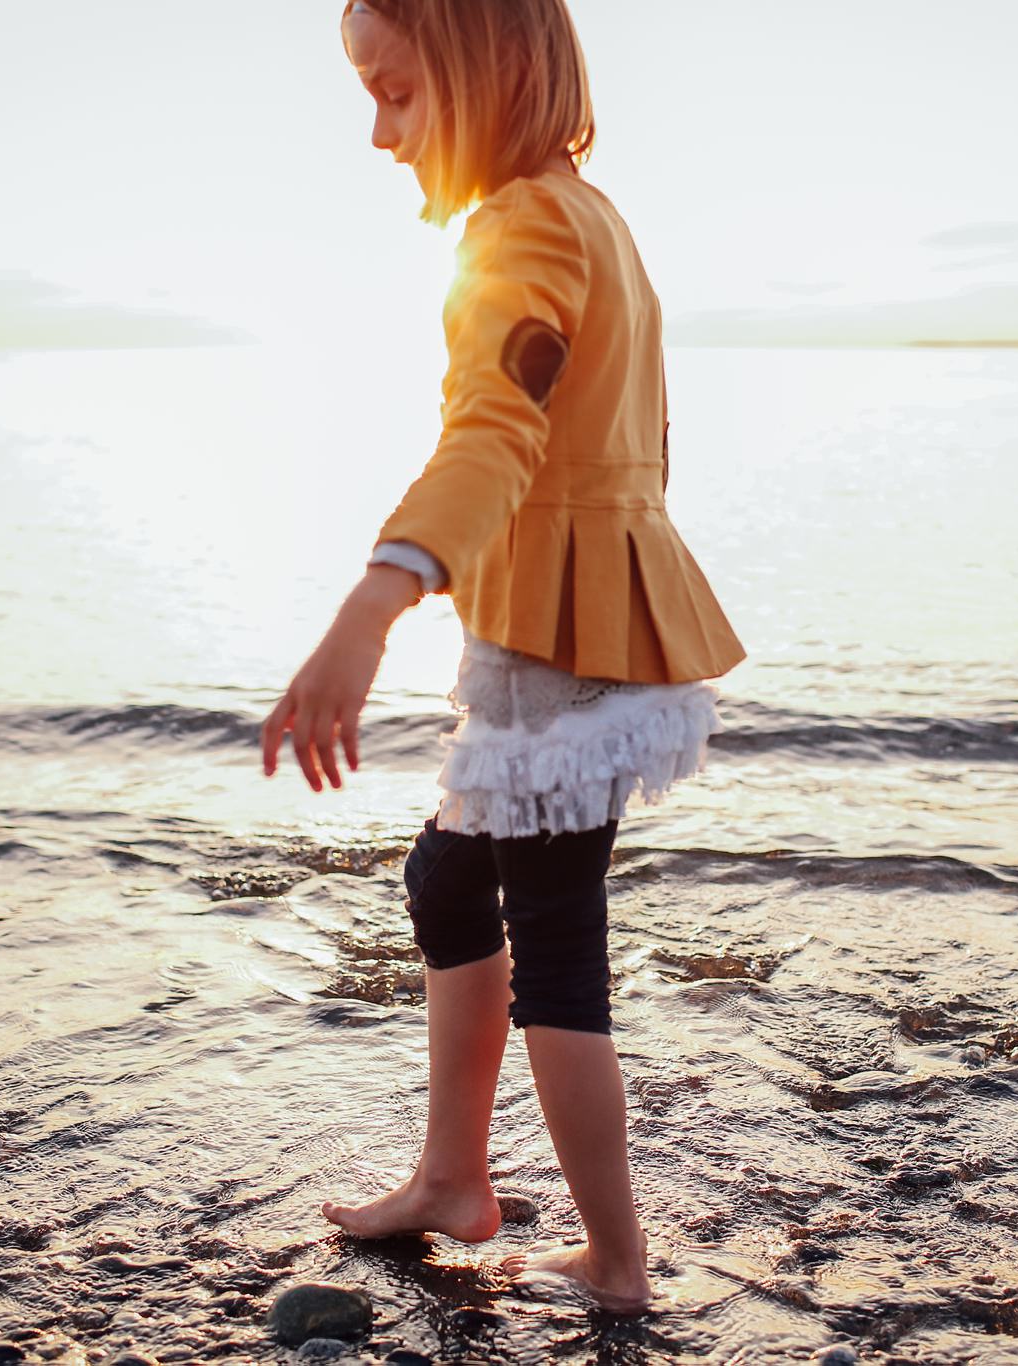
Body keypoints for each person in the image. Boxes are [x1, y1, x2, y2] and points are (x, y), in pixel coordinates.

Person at [258, 0, 746, 1316]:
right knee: (446, 878)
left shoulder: (521, 228)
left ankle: (620, 1263)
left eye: (399, 93)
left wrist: (374, 603)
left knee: (558, 952)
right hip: (595, 638)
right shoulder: (594, 217)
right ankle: (452, 1177)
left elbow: (496, 432)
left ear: (486, 74)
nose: (379, 131)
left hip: (564, 668)